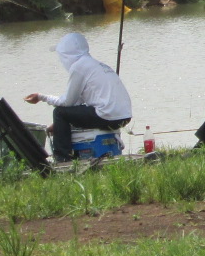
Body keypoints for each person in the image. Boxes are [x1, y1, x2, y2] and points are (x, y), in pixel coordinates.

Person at [25, 32, 131, 162]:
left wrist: (41, 97)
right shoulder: (95, 64)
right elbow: (77, 103)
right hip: (124, 116)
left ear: (66, 54)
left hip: (106, 115)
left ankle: (62, 159)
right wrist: (58, 125)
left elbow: (67, 102)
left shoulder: (79, 67)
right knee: (63, 115)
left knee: (59, 112)